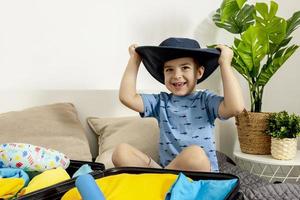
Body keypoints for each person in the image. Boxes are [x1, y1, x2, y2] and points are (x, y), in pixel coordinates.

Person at [112, 37, 244, 172]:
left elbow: (236, 107)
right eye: (169, 70)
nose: (176, 75)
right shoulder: (160, 102)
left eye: (185, 68)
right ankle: (162, 178)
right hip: (168, 173)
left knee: (195, 154)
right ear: (163, 74)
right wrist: (134, 60)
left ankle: (160, 178)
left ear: (199, 72)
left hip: (200, 175)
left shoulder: (206, 100)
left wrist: (225, 64)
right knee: (121, 152)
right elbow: (127, 97)